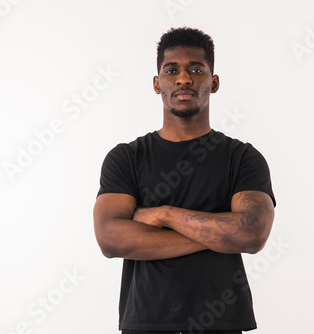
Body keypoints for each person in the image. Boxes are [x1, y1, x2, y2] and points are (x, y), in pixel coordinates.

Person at [93, 27, 276, 334]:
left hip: (221, 323)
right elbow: (111, 238)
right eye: (171, 70)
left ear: (213, 82)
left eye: (196, 69)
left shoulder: (242, 158)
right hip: (145, 324)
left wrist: (164, 215)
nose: (183, 78)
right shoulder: (127, 158)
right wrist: (217, 234)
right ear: (157, 83)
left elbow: (252, 234)